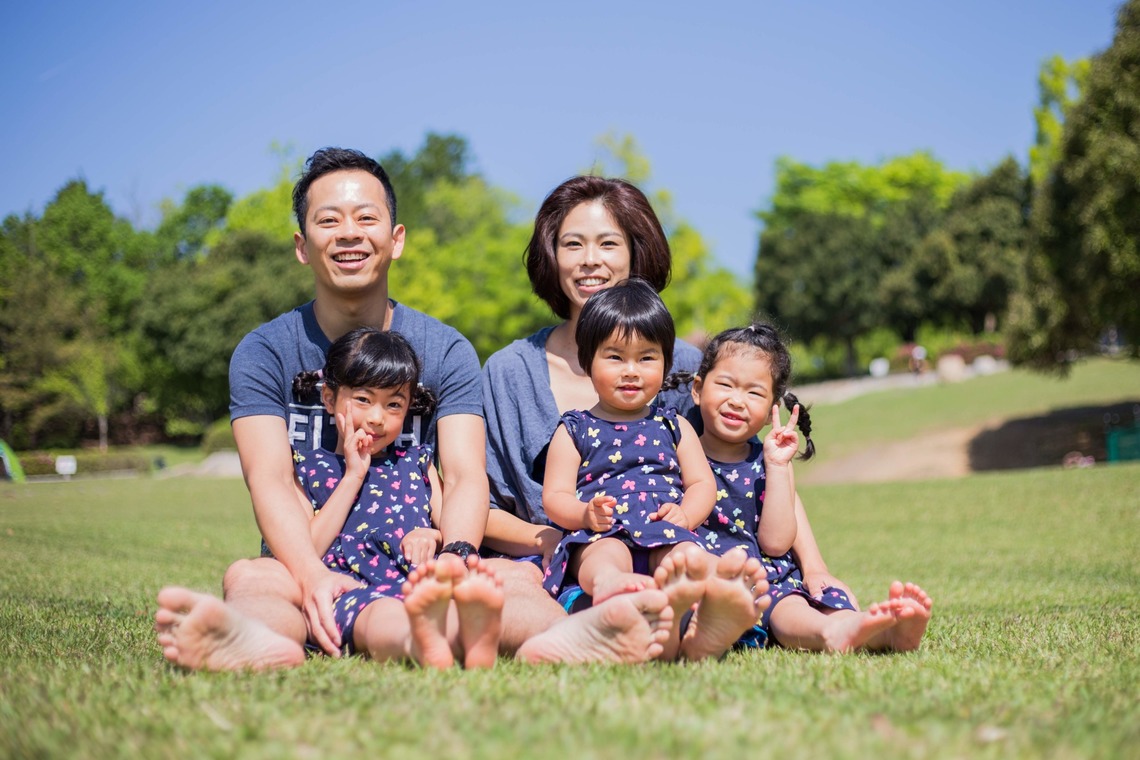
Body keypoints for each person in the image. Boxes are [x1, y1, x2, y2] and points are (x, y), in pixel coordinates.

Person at [155, 148, 673, 671]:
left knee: (509, 578)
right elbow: (268, 479)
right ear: (302, 246)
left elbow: (466, 476)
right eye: (328, 221)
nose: (349, 233)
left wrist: (457, 553)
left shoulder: (445, 350)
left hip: (423, 558)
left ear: (395, 238)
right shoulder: (265, 351)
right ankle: (253, 641)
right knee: (254, 577)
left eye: (366, 218)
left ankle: (575, 637)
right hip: (308, 555)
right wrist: (311, 573)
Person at [541, 279, 769, 661]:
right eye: (615, 357)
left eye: (646, 358)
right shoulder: (574, 427)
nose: (631, 371)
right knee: (605, 556)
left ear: (665, 363)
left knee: (684, 555)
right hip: (603, 533)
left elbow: (701, 483)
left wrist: (686, 514)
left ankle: (717, 596)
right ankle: (615, 586)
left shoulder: (673, 424)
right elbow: (554, 496)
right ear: (586, 361)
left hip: (663, 528)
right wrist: (584, 514)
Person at [685, 323, 933, 652]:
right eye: (726, 385)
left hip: (770, 577)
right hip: (713, 584)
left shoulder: (770, 460)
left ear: (772, 406)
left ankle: (869, 629)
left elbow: (775, 543)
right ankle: (837, 632)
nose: (737, 401)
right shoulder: (678, 454)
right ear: (698, 389)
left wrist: (777, 468)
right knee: (784, 614)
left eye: (754, 392)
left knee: (803, 600)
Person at [291, 327, 502, 668]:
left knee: (449, 596)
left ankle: (464, 637)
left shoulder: (416, 461)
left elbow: (451, 522)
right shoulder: (309, 467)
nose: (377, 417)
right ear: (329, 399)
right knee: (381, 614)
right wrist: (353, 475)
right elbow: (306, 548)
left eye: (393, 404)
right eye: (363, 399)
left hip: (418, 586)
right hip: (348, 591)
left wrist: (431, 534)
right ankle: (420, 644)